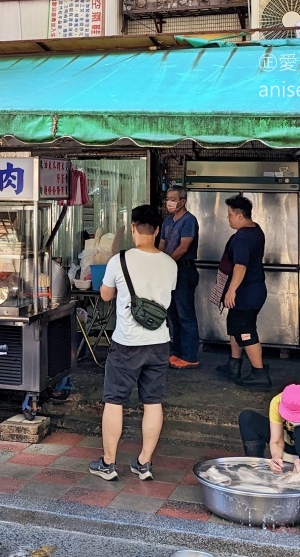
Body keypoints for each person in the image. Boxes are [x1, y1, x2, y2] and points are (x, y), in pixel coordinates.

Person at [90, 205, 177, 482]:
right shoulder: (170, 263)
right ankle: (144, 463)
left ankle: (108, 463)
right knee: (153, 402)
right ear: (158, 230)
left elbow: (105, 295)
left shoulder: (120, 259)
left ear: (132, 228)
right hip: (159, 341)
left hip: (127, 343)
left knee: (114, 401)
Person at [217, 195, 270, 388]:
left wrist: (231, 291)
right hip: (253, 290)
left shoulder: (242, 237)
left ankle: (259, 372)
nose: (228, 218)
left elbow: (240, 266)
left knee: (246, 330)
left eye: (230, 215)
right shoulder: (256, 230)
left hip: (247, 292)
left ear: (240, 216)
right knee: (235, 326)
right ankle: (234, 364)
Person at [238, 384, 300, 475]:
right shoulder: (277, 402)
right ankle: (255, 471)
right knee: (247, 418)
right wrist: (276, 457)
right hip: (287, 439)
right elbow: (276, 440)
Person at [158, 185, 200, 369]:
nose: (170, 202)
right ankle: (177, 353)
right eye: (168, 198)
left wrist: (165, 264)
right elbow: (161, 244)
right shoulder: (167, 221)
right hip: (169, 272)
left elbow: (183, 248)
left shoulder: (189, 221)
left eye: (173, 199)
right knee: (172, 314)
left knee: (186, 314)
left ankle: (190, 356)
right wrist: (156, 261)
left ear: (183, 201)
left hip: (184, 271)